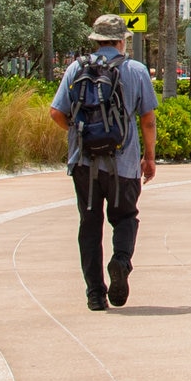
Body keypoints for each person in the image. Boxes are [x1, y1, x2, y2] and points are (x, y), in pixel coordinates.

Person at [48, 16, 160, 311]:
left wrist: (79, 133)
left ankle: (95, 294)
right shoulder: (135, 70)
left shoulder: (76, 68)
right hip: (123, 162)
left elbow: (55, 113)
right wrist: (148, 157)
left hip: (84, 163)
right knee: (125, 217)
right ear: (121, 41)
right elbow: (147, 119)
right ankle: (120, 262)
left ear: (95, 40)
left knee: (89, 224)